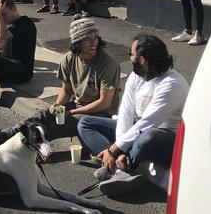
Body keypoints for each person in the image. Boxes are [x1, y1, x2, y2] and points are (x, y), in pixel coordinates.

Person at [0, 17, 121, 151]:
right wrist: (57, 106)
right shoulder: (69, 58)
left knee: (52, 127)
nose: (94, 41)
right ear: (77, 41)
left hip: (100, 115)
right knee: (43, 115)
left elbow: (104, 103)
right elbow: (67, 90)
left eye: (95, 37)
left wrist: (72, 112)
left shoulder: (107, 62)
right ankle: (2, 137)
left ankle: (1, 144)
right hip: (79, 105)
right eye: (88, 38)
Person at [77, 34, 189, 196]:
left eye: (131, 53)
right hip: (135, 134)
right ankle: (120, 166)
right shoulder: (137, 76)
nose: (129, 57)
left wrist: (115, 148)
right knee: (85, 123)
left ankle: (122, 167)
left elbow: (148, 124)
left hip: (163, 138)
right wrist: (116, 151)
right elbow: (125, 113)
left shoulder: (172, 84)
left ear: (142, 60)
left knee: (149, 135)